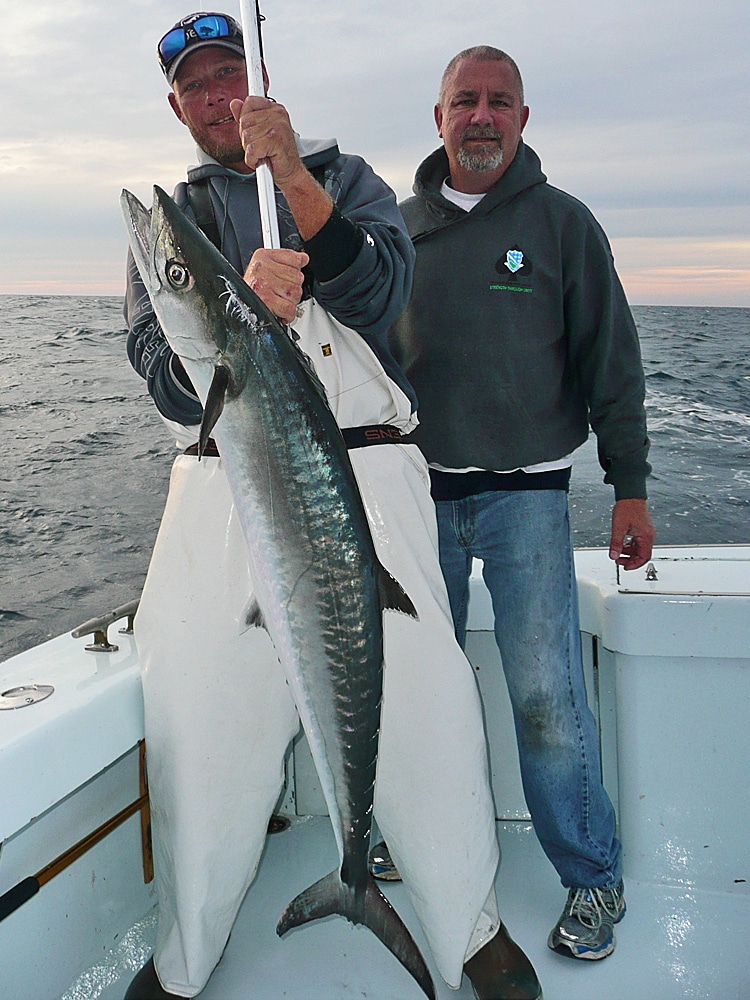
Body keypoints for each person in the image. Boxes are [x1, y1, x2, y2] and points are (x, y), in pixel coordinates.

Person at [123, 15, 542, 1000]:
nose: (220, 98)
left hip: (365, 478)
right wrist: (240, 322)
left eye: (233, 78)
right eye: (198, 87)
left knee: (429, 710)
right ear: (178, 106)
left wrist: (296, 185)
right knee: (203, 730)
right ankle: (186, 957)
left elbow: (388, 299)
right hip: (224, 487)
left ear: (260, 87)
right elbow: (158, 371)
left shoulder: (344, 180)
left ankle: (465, 929)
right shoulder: (172, 222)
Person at [387, 46, 656, 964]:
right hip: (416, 498)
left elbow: (612, 362)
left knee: (547, 699)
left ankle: (592, 873)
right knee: (421, 689)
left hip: (529, 501)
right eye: (465, 100)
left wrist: (632, 487)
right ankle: (412, 834)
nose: (482, 117)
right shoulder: (391, 225)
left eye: (500, 101)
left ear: (524, 119)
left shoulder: (564, 225)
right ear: (438, 117)